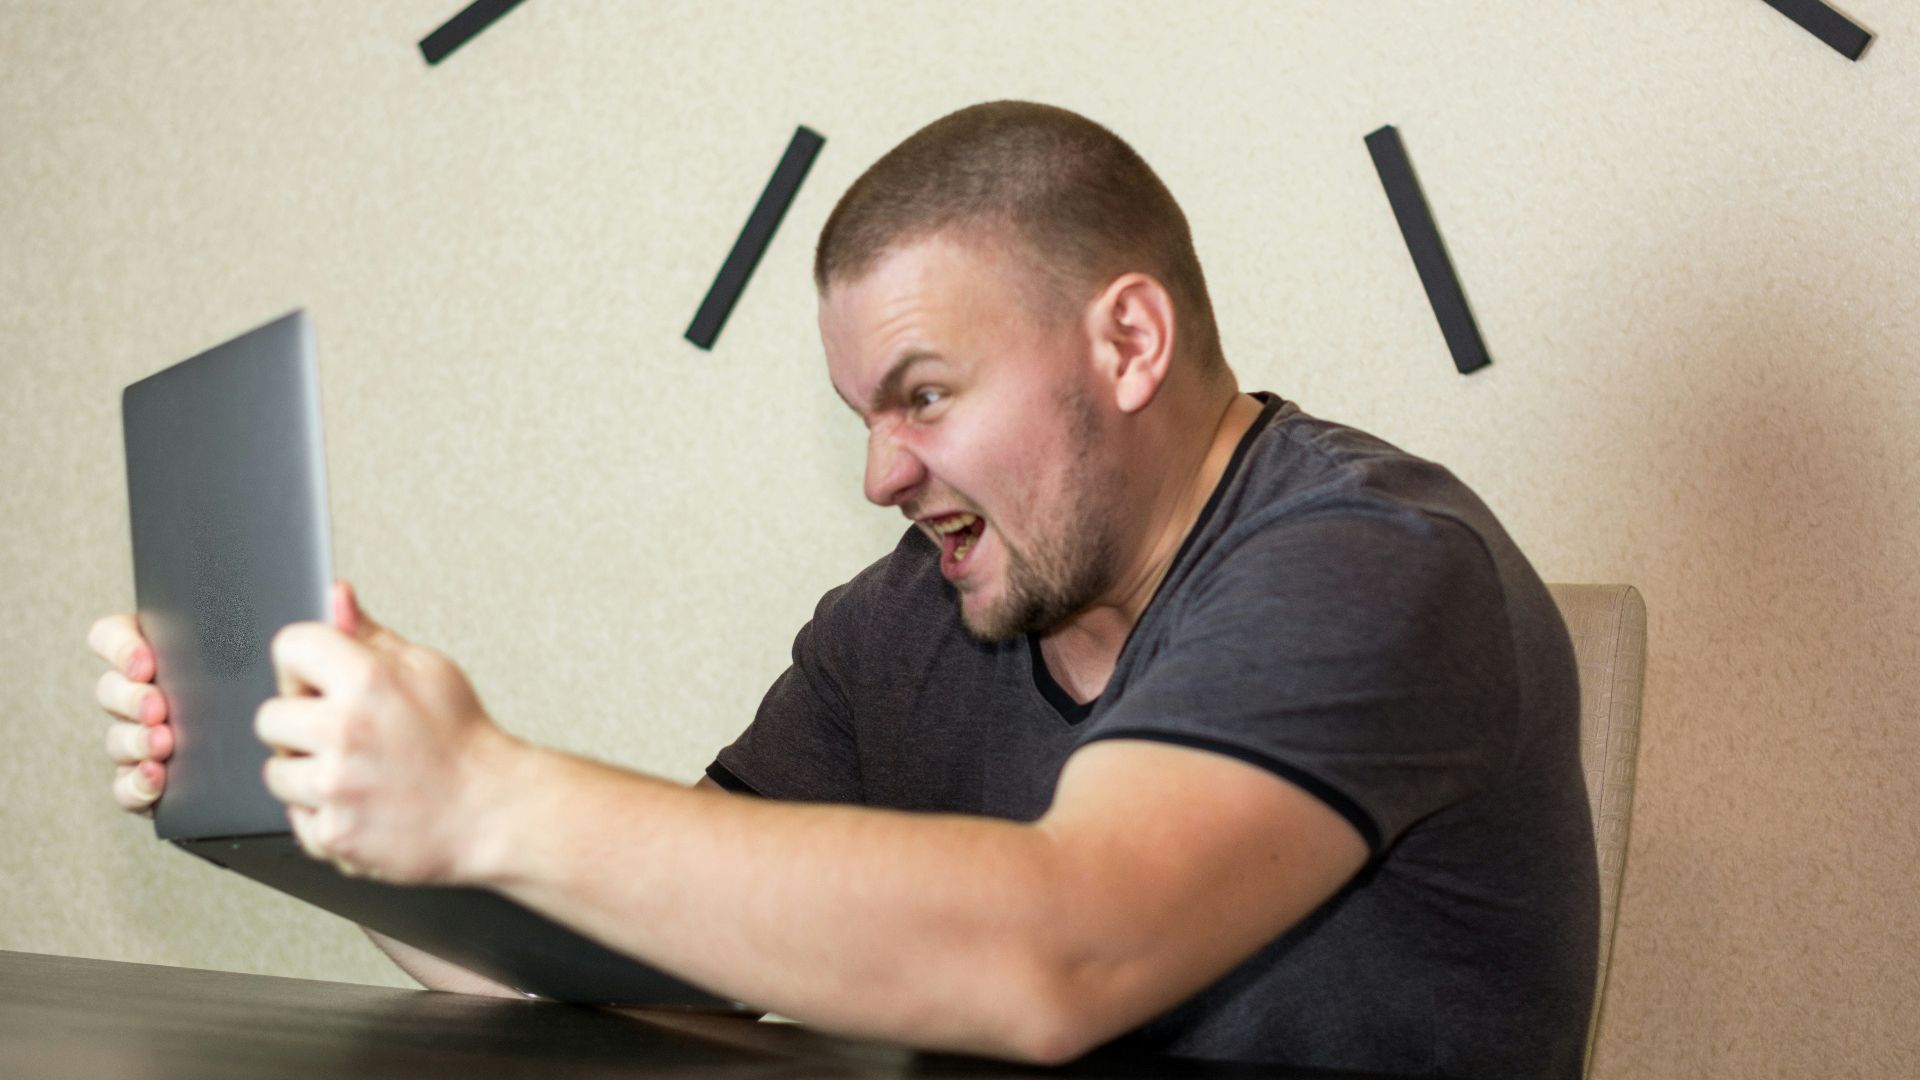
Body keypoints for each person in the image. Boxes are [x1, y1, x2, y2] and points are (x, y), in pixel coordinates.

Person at [89, 101, 1598, 1078]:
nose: (884, 474)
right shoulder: (909, 619)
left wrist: (489, 792)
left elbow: (1064, 948)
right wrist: (320, 816)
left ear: (1127, 345)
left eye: (924, 396)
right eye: (862, 418)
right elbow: (657, 982)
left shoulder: (1373, 565)